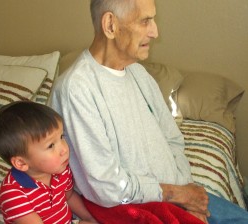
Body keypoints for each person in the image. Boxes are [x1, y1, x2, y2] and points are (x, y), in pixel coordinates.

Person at [49, 0, 248, 223]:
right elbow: (107, 186)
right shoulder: (76, 89)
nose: (155, 32)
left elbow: (173, 139)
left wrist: (186, 196)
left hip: (175, 196)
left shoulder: (138, 73)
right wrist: (177, 195)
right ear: (110, 25)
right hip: (134, 209)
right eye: (145, 21)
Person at [0, 101, 97, 224]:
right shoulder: (13, 194)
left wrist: (90, 219)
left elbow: (69, 196)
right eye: (51, 145)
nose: (64, 149)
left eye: (61, 137)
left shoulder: (60, 169)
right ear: (21, 163)